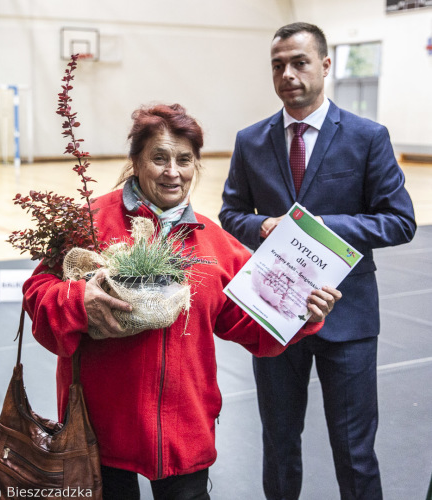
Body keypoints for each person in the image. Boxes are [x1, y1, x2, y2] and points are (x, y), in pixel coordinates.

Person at [22, 103, 341, 500]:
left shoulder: (216, 244)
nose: (173, 171)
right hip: (98, 431)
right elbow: (37, 296)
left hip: (183, 433)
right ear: (136, 161)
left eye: (184, 160)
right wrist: (77, 299)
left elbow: (252, 326)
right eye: (159, 158)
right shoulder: (91, 223)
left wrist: (302, 312)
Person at [219, 22, 416, 500]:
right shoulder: (250, 140)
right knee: (279, 445)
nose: (288, 73)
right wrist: (260, 226)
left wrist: (319, 227)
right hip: (273, 315)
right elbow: (230, 212)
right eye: (278, 65)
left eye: (299, 62)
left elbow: (399, 221)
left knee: (354, 451)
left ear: (325, 66)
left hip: (346, 318)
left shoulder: (368, 137)